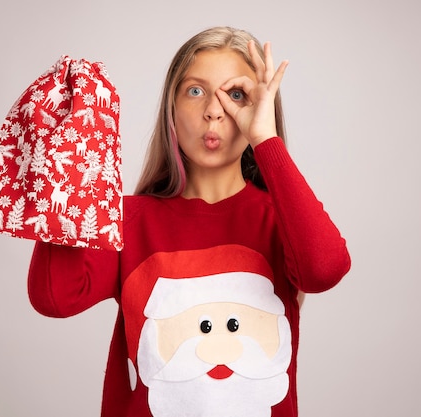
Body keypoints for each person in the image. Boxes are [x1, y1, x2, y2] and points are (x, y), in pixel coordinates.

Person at [28, 26, 351, 417]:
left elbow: (325, 269)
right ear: (172, 109)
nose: (214, 110)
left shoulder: (280, 220)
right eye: (195, 91)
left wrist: (264, 138)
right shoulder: (129, 220)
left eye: (235, 95)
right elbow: (54, 297)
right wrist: (70, 165)